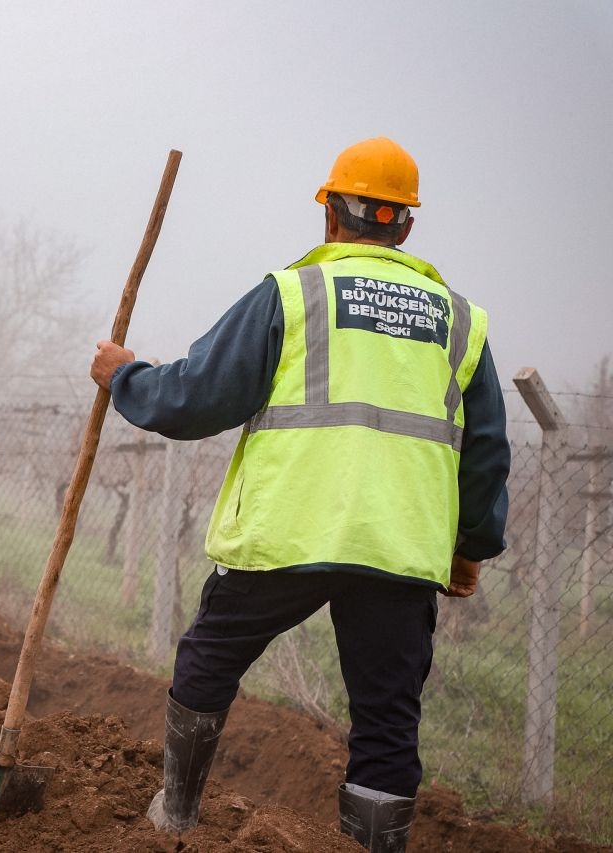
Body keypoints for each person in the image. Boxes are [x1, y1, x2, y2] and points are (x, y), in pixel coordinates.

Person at [89, 137, 509, 852]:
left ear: (329, 217)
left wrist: (124, 377)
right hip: (399, 548)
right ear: (405, 226)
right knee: (385, 721)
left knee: (208, 660)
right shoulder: (459, 321)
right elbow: (486, 450)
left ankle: (177, 816)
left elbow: (196, 397)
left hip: (287, 533)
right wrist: (471, 548)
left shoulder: (293, 294)